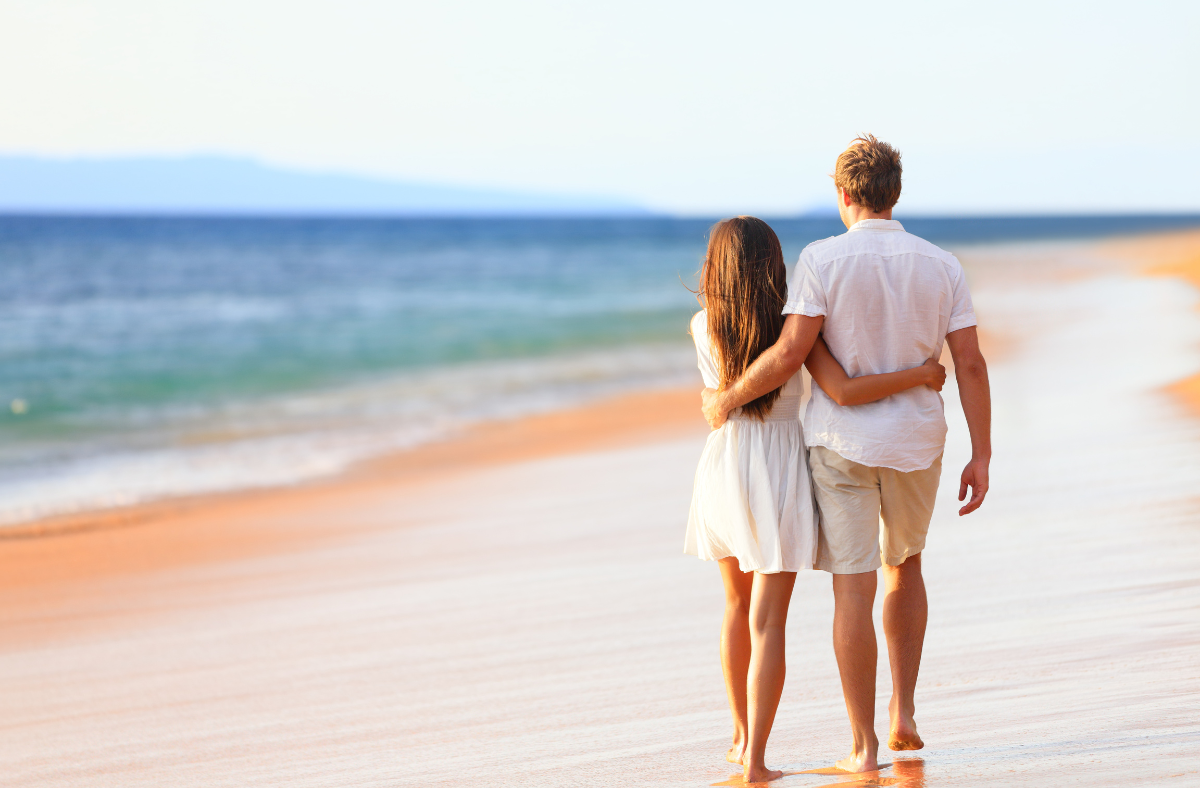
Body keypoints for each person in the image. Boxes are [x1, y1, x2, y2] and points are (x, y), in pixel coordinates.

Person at [701, 136, 992, 775]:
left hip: (841, 444)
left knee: (851, 587)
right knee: (907, 564)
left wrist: (725, 400)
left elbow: (789, 354)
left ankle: (863, 744)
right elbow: (969, 361)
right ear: (895, 192)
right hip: (917, 443)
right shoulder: (942, 264)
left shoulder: (822, 260)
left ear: (844, 194)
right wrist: (983, 454)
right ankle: (904, 711)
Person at [685, 215, 947, 783]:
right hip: (778, 470)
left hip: (725, 466)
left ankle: (738, 736)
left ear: (715, 268)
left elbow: (714, 396)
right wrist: (922, 373)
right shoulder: (794, 331)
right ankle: (756, 760)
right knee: (768, 620)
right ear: (773, 265)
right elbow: (845, 391)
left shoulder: (702, 324)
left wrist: (721, 400)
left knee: (735, 606)